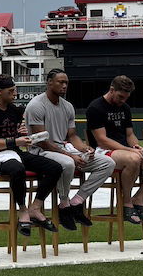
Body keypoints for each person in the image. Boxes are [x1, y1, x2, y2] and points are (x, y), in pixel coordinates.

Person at [24, 69, 114, 230]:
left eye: (66, 83)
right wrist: (70, 155)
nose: (65, 86)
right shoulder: (36, 105)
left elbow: (72, 136)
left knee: (107, 163)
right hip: (41, 151)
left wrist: (85, 148)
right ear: (49, 82)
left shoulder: (68, 106)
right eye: (61, 82)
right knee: (68, 163)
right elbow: (42, 141)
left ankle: (77, 201)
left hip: (63, 149)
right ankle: (64, 204)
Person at [0, 74, 60, 235]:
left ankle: (35, 207)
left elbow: (18, 134)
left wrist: (23, 133)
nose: (15, 94)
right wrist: (15, 141)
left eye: (15, 90)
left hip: (15, 152)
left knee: (54, 167)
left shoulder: (15, 110)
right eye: (11, 91)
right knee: (17, 169)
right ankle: (22, 209)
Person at [85, 75, 143, 225]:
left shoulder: (125, 108)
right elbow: (102, 140)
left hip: (125, 151)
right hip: (104, 152)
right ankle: (126, 202)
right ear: (111, 90)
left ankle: (139, 198)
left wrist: (136, 147)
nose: (123, 100)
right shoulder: (95, 107)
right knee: (133, 159)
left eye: (126, 97)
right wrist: (129, 151)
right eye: (121, 96)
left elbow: (129, 134)